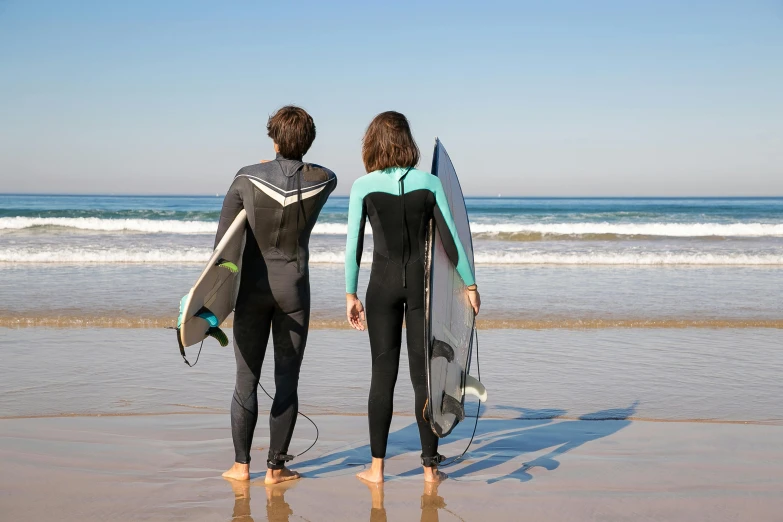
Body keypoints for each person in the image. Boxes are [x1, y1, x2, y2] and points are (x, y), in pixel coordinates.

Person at [344, 111, 481, 484]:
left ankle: (376, 469)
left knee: (382, 377)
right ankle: (429, 468)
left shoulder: (362, 186)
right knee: (425, 377)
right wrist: (470, 285)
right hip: (421, 291)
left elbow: (353, 246)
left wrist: (350, 294)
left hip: (381, 288)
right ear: (407, 141)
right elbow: (451, 240)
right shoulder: (430, 183)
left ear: (372, 143)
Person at [218, 106, 337, 484]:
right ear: (309, 142)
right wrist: (282, 161)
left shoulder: (245, 177)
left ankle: (240, 467)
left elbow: (222, 248)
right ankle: (276, 469)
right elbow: (320, 172)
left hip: (251, 290)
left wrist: (264, 167)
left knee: (245, 381)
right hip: (294, 291)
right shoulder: (325, 181)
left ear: (273, 139)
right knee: (287, 379)